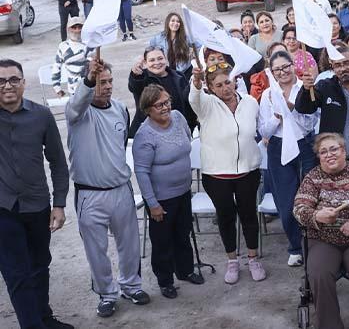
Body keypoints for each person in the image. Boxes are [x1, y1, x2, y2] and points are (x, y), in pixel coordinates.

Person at [66, 59, 149, 317]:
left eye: (110, 81)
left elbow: (121, 144)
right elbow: (76, 105)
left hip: (121, 189)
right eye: (101, 82)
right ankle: (106, 294)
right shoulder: (77, 112)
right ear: (89, 84)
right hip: (90, 194)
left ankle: (131, 286)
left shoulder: (120, 109)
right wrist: (89, 80)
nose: (108, 86)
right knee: (96, 250)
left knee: (130, 244)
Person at [0, 59, 74, 329]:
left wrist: (59, 204)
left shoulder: (41, 116)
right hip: (4, 210)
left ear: (23, 82)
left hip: (37, 206)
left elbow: (58, 162)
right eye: (1, 81)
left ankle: (44, 318)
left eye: (13, 79)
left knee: (41, 266)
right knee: (16, 274)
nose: (7, 85)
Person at [293, 133, 349, 329]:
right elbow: (299, 208)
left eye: (334, 149)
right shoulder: (312, 178)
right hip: (323, 240)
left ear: (344, 151)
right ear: (319, 156)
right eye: (323, 151)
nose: (329, 154)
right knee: (318, 273)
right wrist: (317, 215)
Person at [189, 61, 265, 284]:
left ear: (235, 80)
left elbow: (260, 127)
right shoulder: (206, 104)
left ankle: (253, 258)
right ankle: (232, 260)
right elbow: (194, 98)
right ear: (211, 88)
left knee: (249, 215)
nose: (225, 88)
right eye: (219, 85)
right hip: (217, 175)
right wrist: (196, 81)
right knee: (225, 217)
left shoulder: (250, 102)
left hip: (248, 171)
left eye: (228, 82)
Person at [132, 84, 204, 299]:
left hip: (183, 191)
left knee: (183, 234)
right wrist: (152, 204)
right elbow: (142, 172)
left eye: (167, 102)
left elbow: (186, 141)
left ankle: (185, 270)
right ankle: (165, 281)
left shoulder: (178, 117)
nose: (165, 107)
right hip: (161, 199)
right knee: (162, 242)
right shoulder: (144, 135)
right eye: (159, 105)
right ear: (147, 109)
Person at [258, 51, 318, 267]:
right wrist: (278, 115)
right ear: (272, 72)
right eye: (277, 69)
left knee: (310, 196)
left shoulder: (305, 87)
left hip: (305, 145)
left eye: (286, 66)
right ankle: (295, 246)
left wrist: (292, 109)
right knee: (286, 199)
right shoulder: (268, 94)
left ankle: (314, 244)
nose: (283, 72)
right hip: (278, 147)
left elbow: (311, 123)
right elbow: (264, 130)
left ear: (293, 65)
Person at [128, 46, 192, 137]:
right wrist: (135, 75)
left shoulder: (179, 76)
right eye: (152, 60)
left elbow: (188, 103)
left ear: (165, 59)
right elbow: (134, 86)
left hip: (177, 130)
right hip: (149, 133)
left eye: (160, 58)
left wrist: (190, 125)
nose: (157, 63)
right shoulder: (142, 78)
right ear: (145, 63)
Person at [148, 13, 200, 77]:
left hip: (185, 72)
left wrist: (194, 56)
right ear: (168, 22)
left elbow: (199, 46)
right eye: (173, 21)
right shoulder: (158, 38)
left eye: (178, 21)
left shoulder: (185, 37)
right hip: (167, 72)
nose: (175, 23)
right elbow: (149, 51)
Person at [51, 16, 91, 97]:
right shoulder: (63, 46)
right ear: (68, 29)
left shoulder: (90, 44)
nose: (77, 30)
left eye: (80, 27)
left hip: (90, 87)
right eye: (74, 27)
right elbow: (56, 67)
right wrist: (57, 87)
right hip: (73, 90)